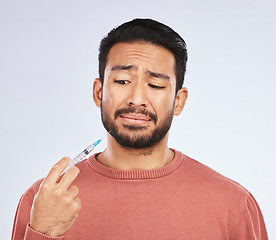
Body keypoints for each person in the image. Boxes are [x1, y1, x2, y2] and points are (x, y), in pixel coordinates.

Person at [12, 18, 268, 240]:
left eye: (155, 85)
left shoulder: (233, 204)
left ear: (178, 101)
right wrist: (43, 232)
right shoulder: (42, 201)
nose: (136, 98)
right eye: (122, 81)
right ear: (99, 92)